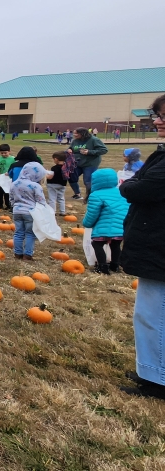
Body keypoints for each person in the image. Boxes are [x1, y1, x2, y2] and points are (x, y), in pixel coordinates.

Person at [119, 94, 165, 399]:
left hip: (158, 243)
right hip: (155, 240)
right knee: (150, 311)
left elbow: (140, 187)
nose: (157, 121)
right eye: (157, 116)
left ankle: (157, 377)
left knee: (154, 313)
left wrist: (131, 186)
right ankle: (152, 369)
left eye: (162, 117)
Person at [82, 168, 129, 274]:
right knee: (116, 245)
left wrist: (87, 223)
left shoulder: (96, 195)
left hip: (104, 227)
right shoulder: (121, 192)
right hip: (121, 226)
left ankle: (102, 267)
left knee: (97, 245)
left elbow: (92, 213)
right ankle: (115, 265)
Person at [10, 162, 46, 261]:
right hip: (30, 212)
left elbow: (11, 198)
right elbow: (41, 200)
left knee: (18, 233)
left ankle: (18, 253)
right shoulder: (35, 186)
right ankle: (27, 255)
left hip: (17, 211)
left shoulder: (14, 183)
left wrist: (14, 206)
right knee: (30, 233)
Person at [69, 127, 108, 202]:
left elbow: (104, 150)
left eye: (76, 133)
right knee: (71, 176)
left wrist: (89, 152)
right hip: (77, 162)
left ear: (82, 134)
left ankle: (90, 197)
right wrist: (69, 150)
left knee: (88, 181)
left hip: (90, 163)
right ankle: (77, 194)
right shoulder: (75, 141)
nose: (74, 135)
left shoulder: (94, 140)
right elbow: (71, 148)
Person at [0, 145, 14, 209]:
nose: (4, 154)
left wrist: (9, 172)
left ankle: (8, 204)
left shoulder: (13, 159)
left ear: (9, 151)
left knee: (7, 192)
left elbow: (14, 167)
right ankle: (0, 204)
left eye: (5, 153)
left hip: (8, 179)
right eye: (2, 153)